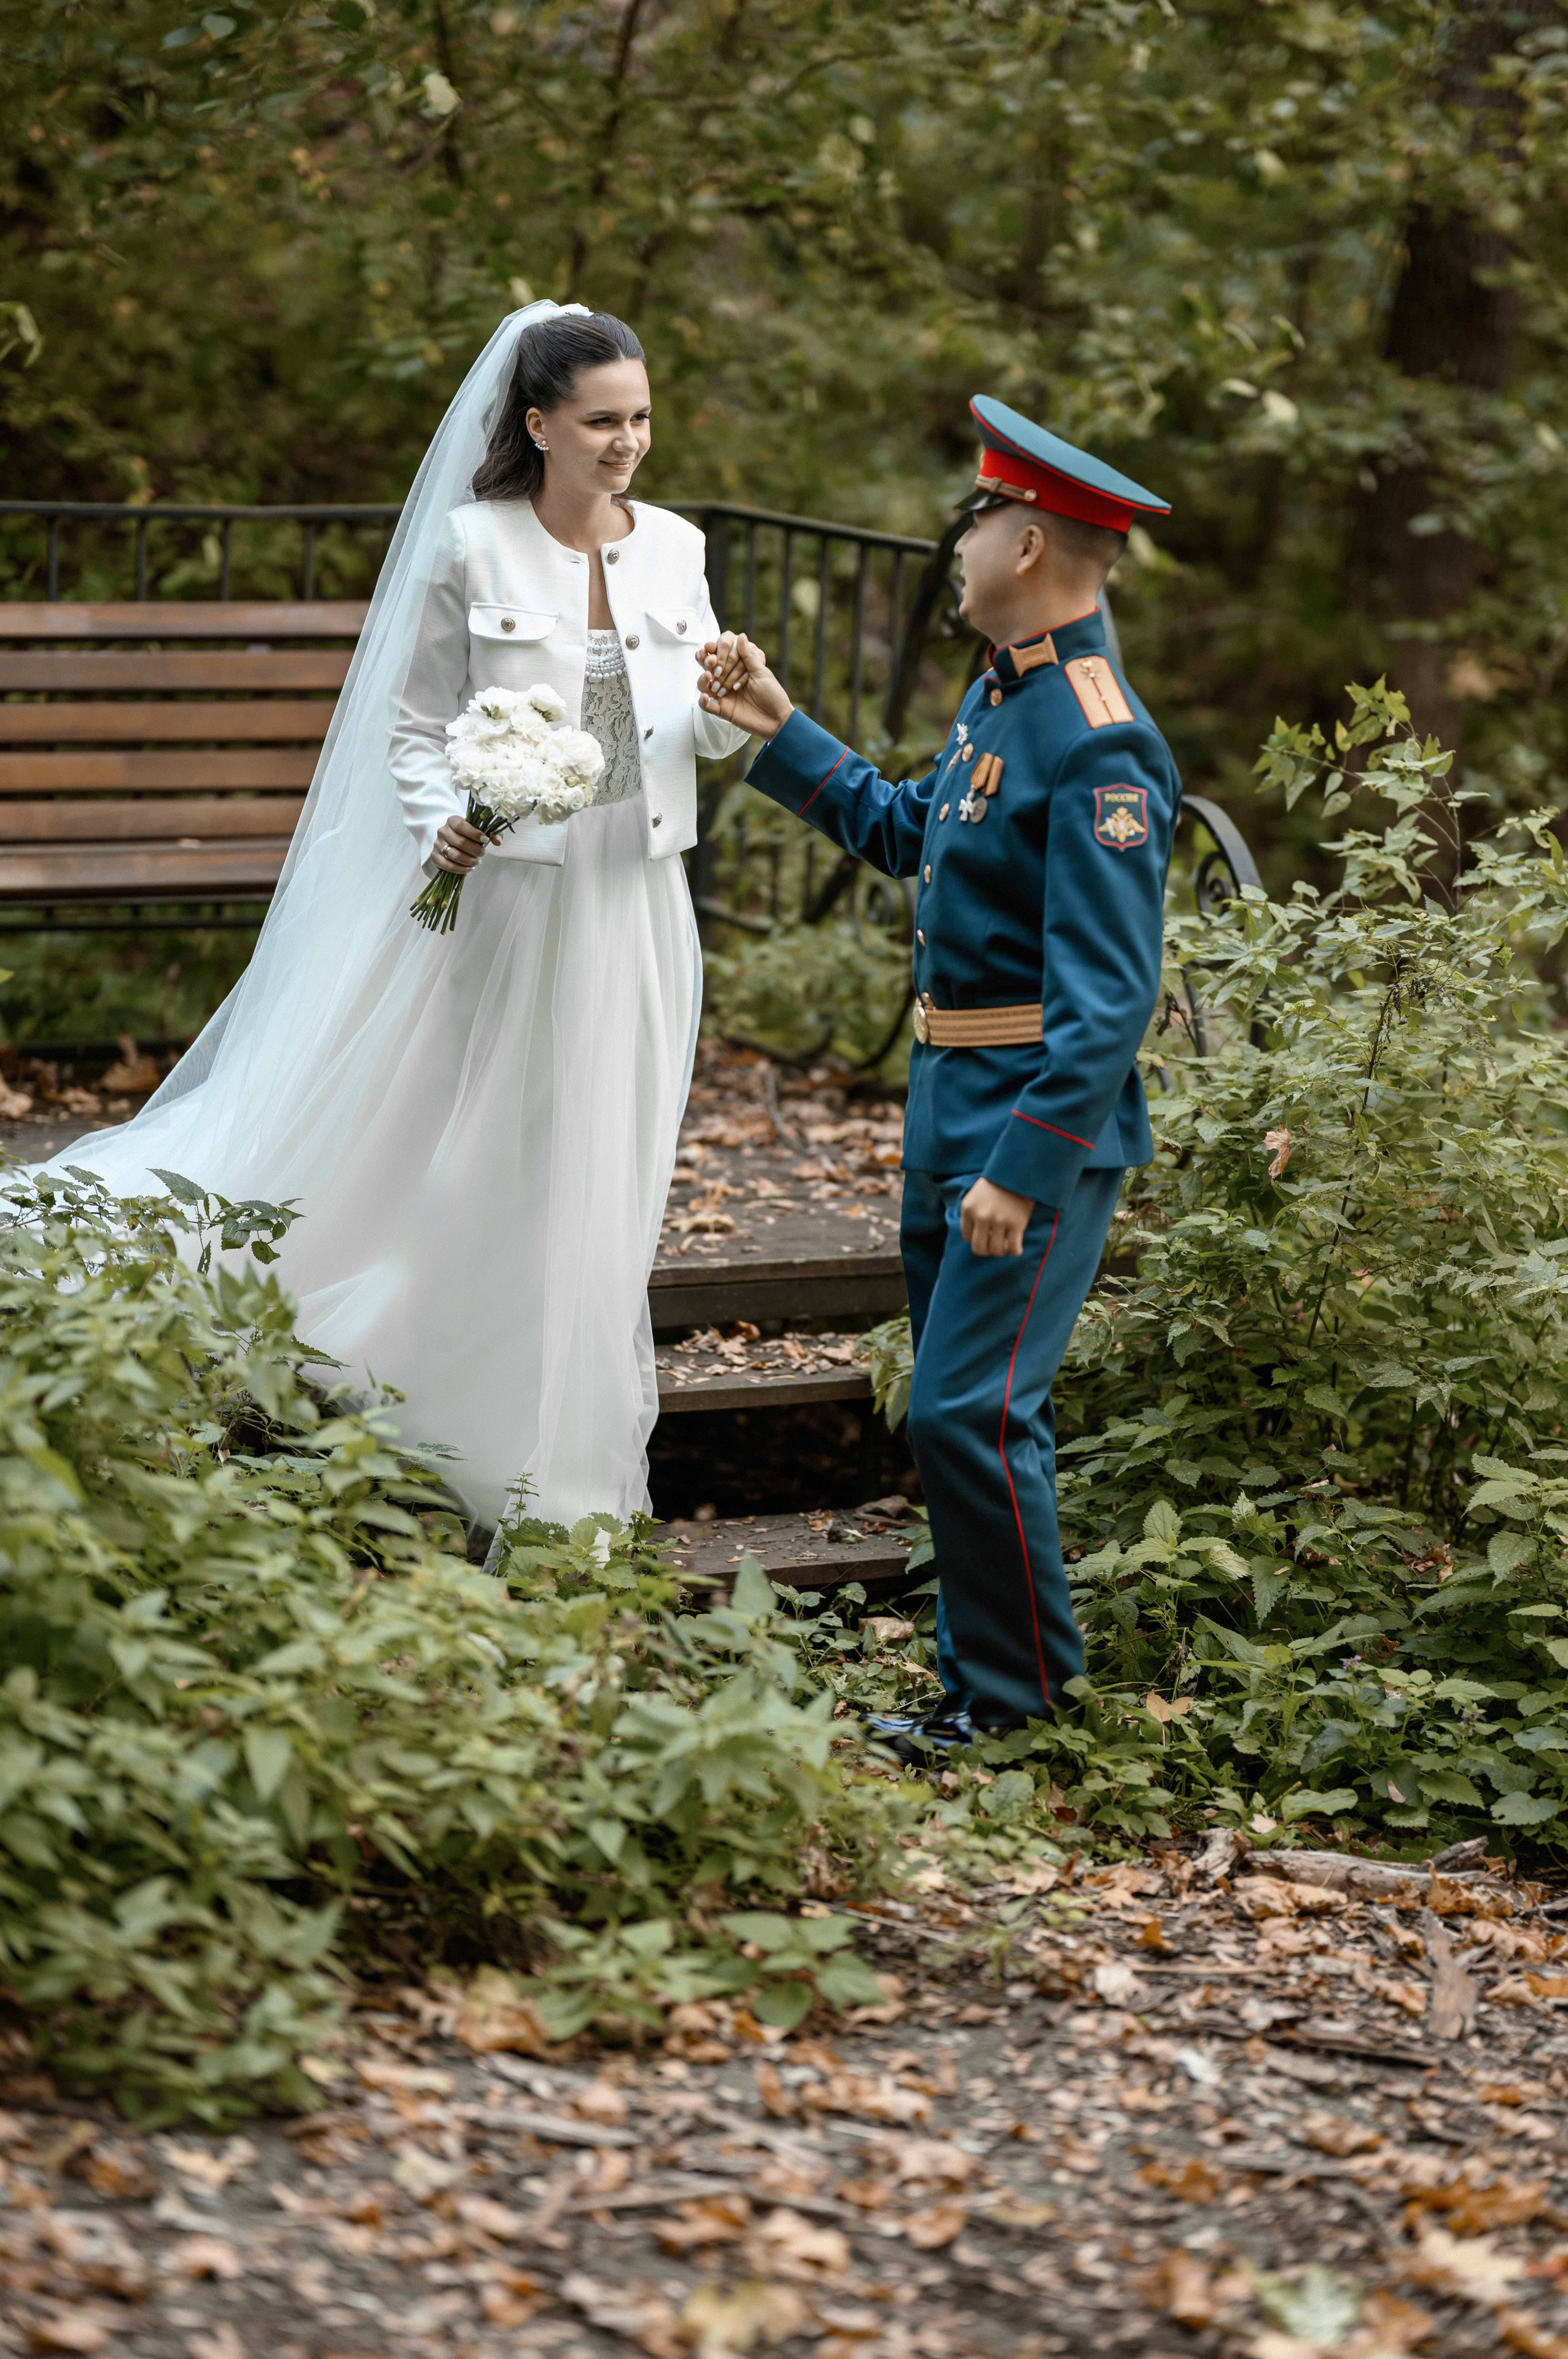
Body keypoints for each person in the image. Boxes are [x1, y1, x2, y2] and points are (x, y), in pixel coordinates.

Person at [42, 302, 748, 1528]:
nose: (627, 442)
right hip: (515, 903)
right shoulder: (470, 548)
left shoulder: (678, 548)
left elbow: (690, 731)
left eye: (639, 418)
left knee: (606, 1136)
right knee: (495, 1133)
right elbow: (414, 727)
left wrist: (739, 711)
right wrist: (445, 820)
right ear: (537, 425)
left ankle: (558, 1381)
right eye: (600, 422)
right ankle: (446, 1379)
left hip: (636, 896)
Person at [698, 396, 1180, 1761]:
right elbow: (915, 832)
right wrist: (776, 723)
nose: (956, 540)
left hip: (1028, 1127)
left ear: (1024, 540)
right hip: (948, 1103)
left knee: (977, 1409)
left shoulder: (1096, 736)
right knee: (953, 1408)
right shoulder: (1005, 693)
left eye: (974, 519)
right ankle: (978, 1687)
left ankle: (1013, 1710)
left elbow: (1110, 999)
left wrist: (1022, 1172)